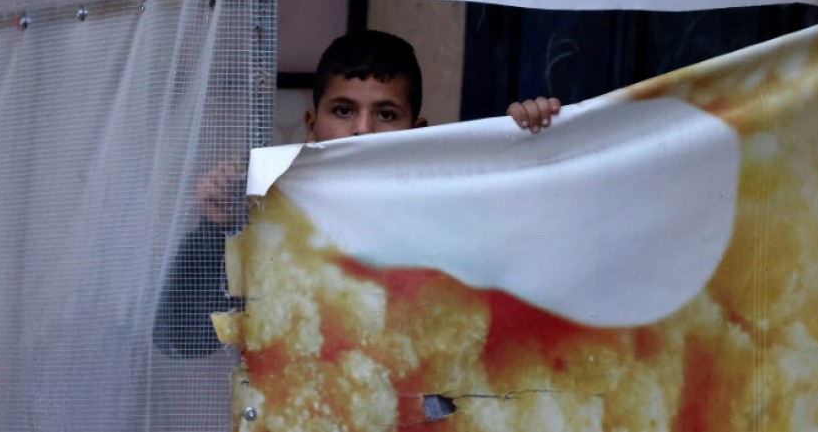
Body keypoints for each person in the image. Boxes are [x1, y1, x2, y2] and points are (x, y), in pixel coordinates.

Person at [153, 30, 560, 357]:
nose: (362, 129)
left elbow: (534, 291)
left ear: (416, 133)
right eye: (343, 111)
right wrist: (214, 229)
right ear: (311, 123)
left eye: (385, 114)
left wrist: (524, 157)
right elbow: (179, 339)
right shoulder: (269, 218)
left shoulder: (449, 212)